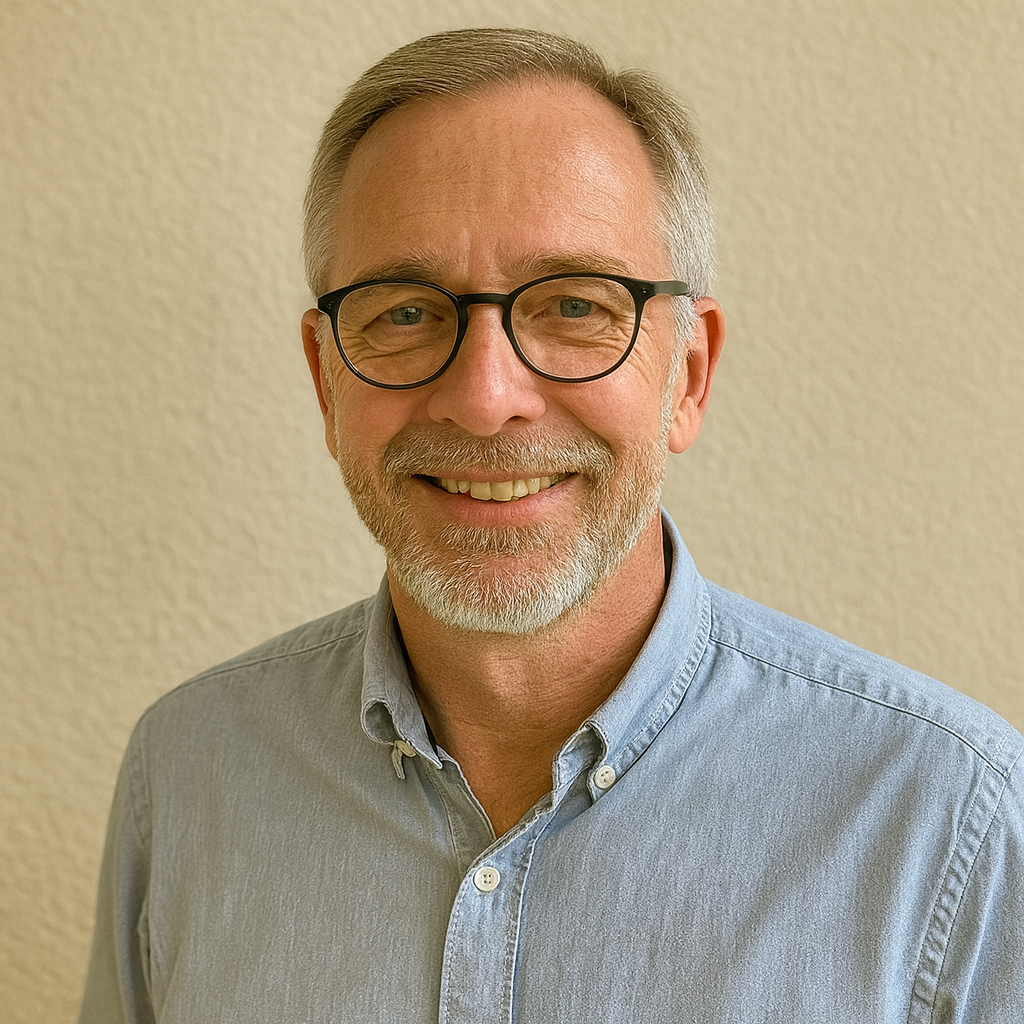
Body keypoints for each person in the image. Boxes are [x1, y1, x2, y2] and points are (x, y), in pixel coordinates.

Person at [78, 27, 1023, 1024]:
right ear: (324, 378)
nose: (485, 399)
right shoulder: (187, 778)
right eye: (404, 313)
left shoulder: (944, 819)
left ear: (688, 376)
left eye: (575, 304)